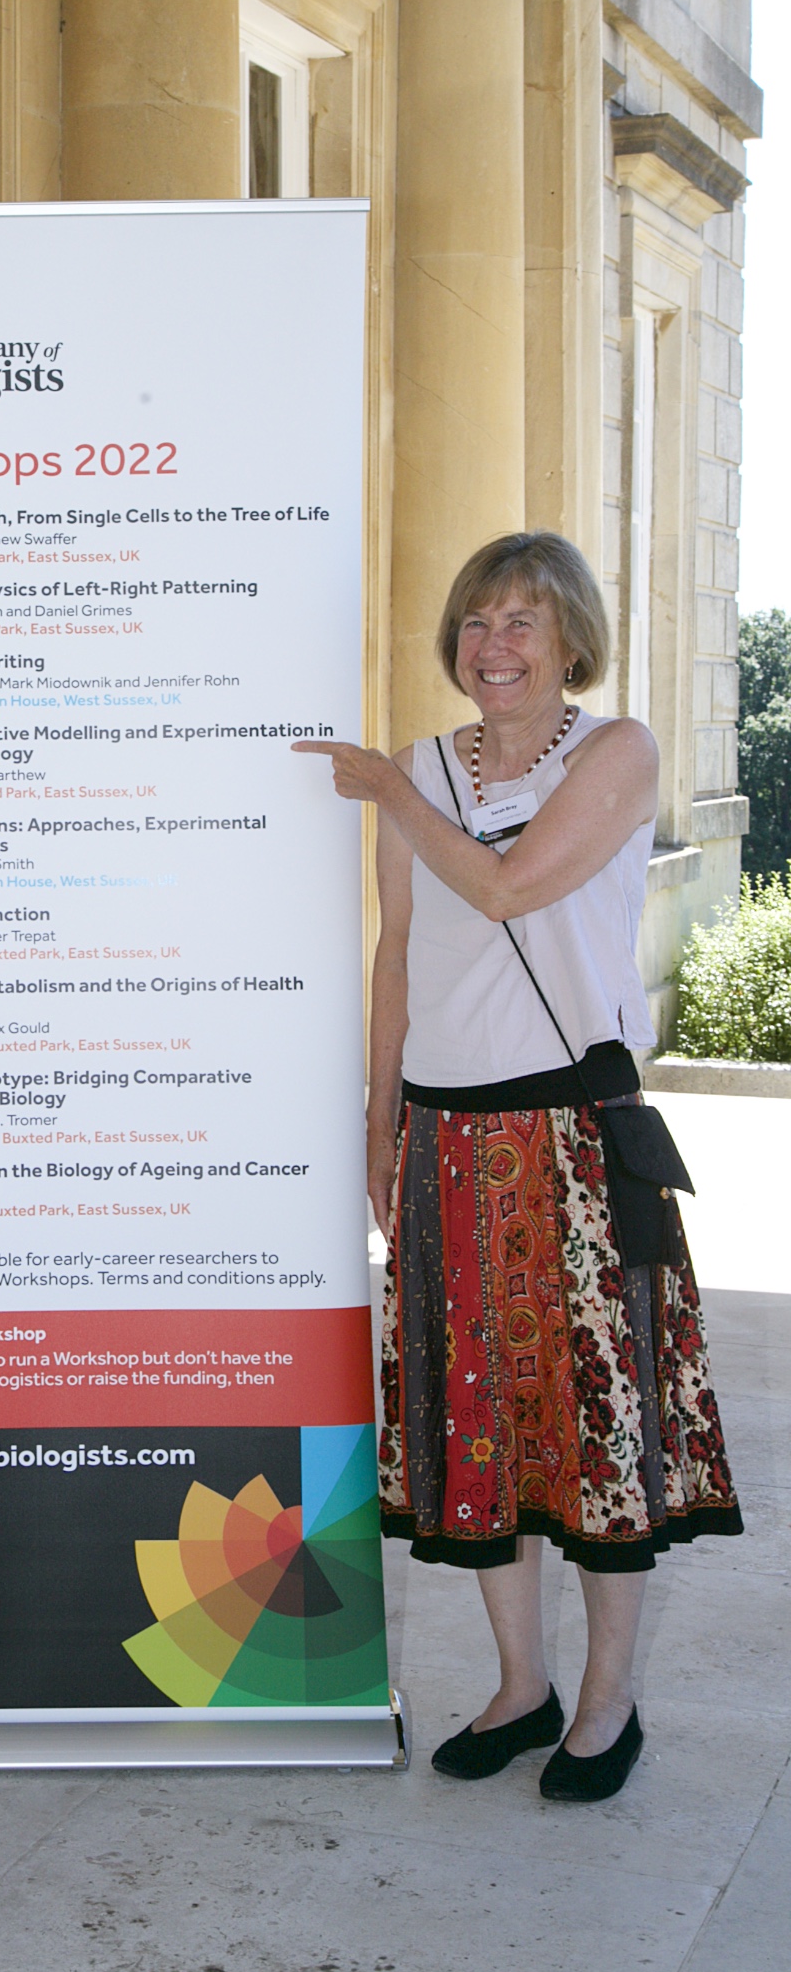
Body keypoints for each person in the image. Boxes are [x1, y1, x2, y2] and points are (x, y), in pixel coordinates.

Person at [295, 531, 740, 1803]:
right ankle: (518, 1686)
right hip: (445, 1133)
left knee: (596, 1422)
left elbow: (505, 888)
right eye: (477, 621)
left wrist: (391, 797)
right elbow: (397, 952)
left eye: (522, 623)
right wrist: (379, 1122)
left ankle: (607, 1700)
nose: (494, 646)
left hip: (572, 1132)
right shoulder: (422, 766)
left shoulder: (616, 753)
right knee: (478, 1422)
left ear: (569, 641)